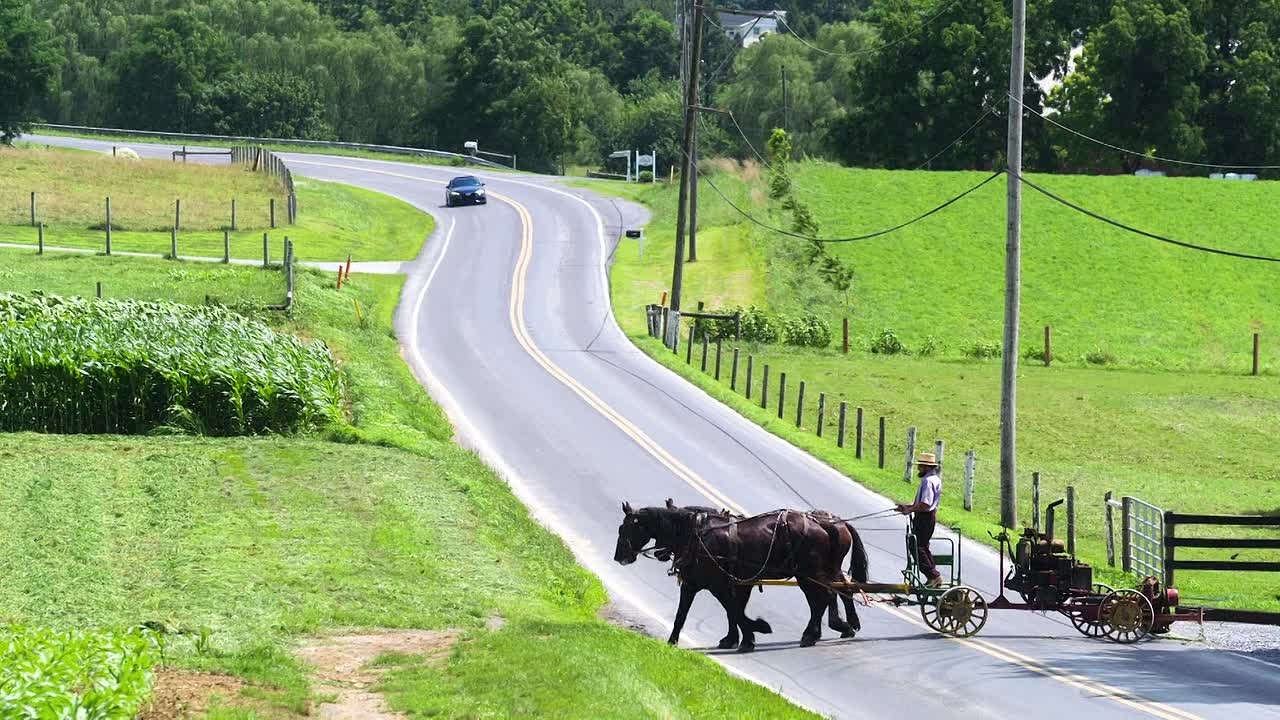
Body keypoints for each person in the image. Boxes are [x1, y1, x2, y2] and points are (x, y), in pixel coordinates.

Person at [896, 452, 942, 587]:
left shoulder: (928, 481)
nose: (919, 469)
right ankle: (933, 575)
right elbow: (923, 503)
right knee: (923, 546)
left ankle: (933, 576)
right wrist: (906, 506)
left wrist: (909, 510)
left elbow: (925, 504)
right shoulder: (934, 479)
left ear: (927, 467)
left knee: (916, 546)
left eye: (921, 466)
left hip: (924, 518)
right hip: (928, 517)